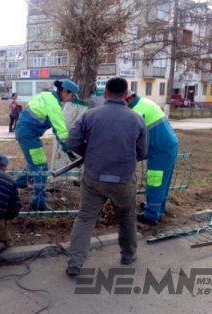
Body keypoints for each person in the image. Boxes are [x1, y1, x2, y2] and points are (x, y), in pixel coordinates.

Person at [65, 77, 148, 277]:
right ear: (126, 95)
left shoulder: (89, 115)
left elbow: (72, 141)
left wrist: (90, 153)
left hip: (94, 177)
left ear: (105, 94)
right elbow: (143, 151)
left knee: (85, 218)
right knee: (127, 216)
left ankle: (75, 263)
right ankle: (128, 255)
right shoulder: (137, 119)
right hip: (123, 179)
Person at [15, 79, 79, 211]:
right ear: (65, 92)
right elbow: (60, 131)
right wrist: (69, 149)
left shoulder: (45, 95)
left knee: (34, 160)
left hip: (24, 131)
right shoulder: (54, 107)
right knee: (41, 167)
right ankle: (39, 202)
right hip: (29, 135)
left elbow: (55, 129)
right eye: (72, 95)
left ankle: (20, 182)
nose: (71, 98)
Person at [126, 91, 179, 225]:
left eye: (124, 101)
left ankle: (151, 215)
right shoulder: (144, 103)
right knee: (162, 182)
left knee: (155, 181)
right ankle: (157, 208)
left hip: (160, 149)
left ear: (131, 98)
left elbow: (132, 138)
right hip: (165, 145)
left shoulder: (137, 111)